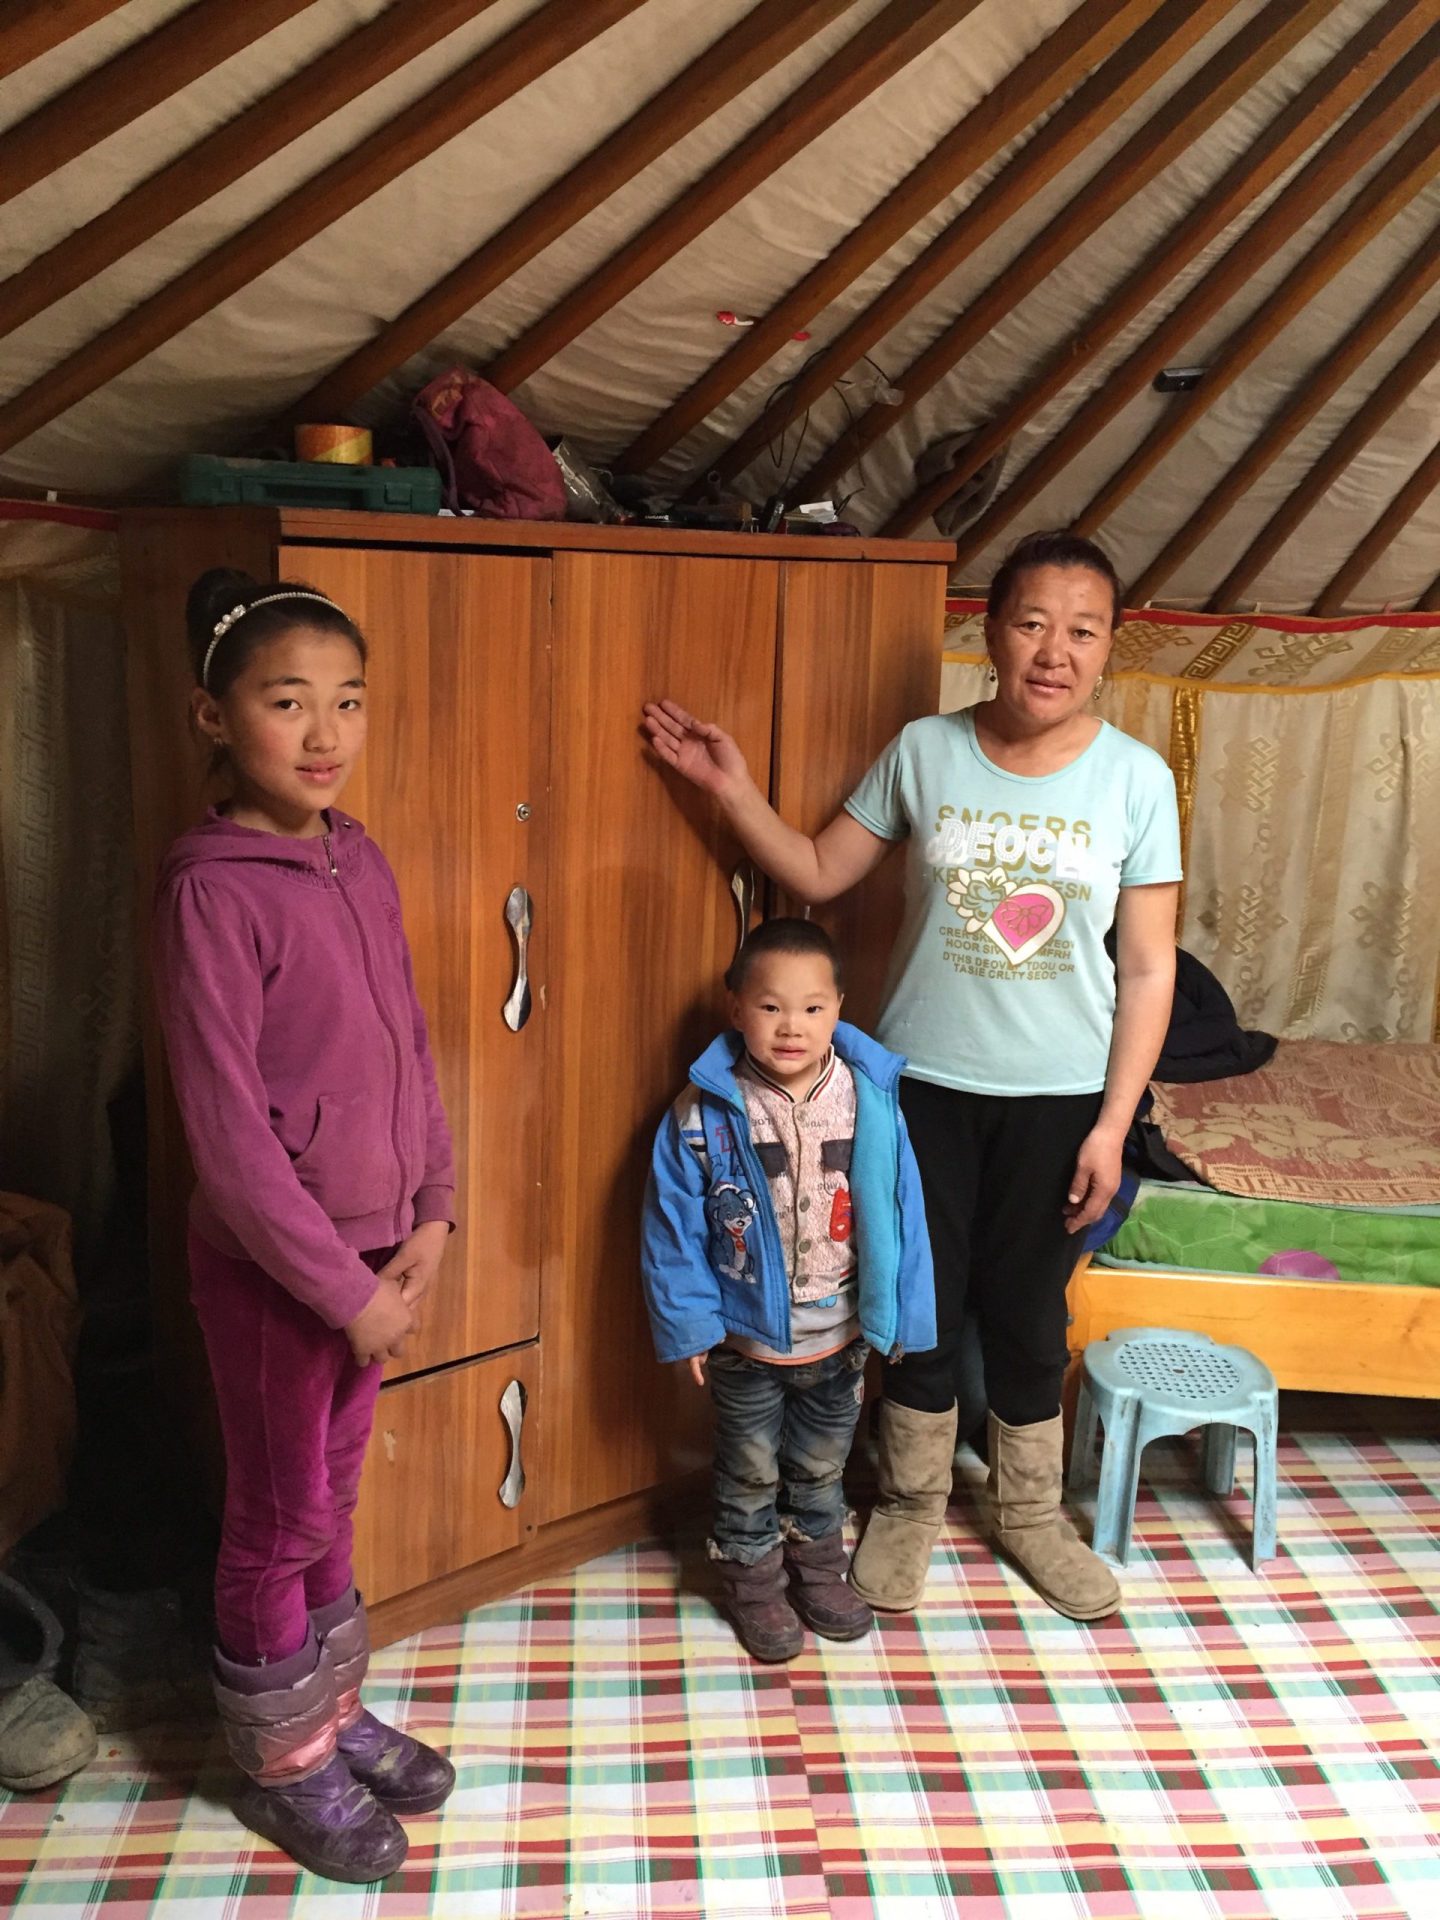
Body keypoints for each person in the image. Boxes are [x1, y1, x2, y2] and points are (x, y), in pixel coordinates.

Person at [642, 530, 1181, 1622]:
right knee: (912, 1305)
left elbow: (1149, 964)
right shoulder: (926, 751)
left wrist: (1113, 1124)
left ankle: (1030, 1514)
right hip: (915, 1092)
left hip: (1062, 1099)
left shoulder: (1137, 780)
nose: (1053, 651)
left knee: (1030, 1310)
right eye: (1032, 622)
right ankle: (912, 1503)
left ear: (1111, 649)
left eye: (1082, 631)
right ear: (990, 630)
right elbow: (817, 873)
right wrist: (730, 792)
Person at [151, 569, 458, 1881]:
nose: (326, 733)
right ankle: (280, 1766)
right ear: (214, 718)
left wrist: (434, 1209)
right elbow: (228, 1147)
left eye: (350, 701)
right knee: (276, 1522)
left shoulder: (361, 855)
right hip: (286, 1284)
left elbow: (409, 1043)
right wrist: (347, 1291)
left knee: (328, 1508)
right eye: (288, 702)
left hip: (381, 1259)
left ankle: (328, 1714)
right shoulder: (210, 894)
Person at [640, 918, 936, 1662]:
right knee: (748, 1468)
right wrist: (691, 1327)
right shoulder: (705, 1114)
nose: (793, 1026)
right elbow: (672, 1229)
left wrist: (902, 1316)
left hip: (839, 1338)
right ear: (736, 1006)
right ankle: (751, 1579)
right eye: (771, 1007)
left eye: (813, 1007)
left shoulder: (870, 1103)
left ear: (840, 1007)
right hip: (746, 1341)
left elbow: (902, 1216)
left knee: (820, 1465)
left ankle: (816, 1568)